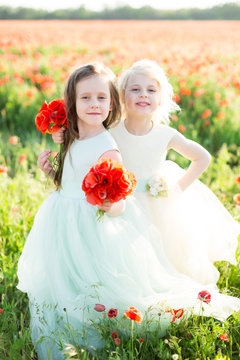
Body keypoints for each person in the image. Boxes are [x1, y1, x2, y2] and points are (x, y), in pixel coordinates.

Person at [32, 61, 240, 359]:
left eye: (101, 98)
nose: (94, 104)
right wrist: (56, 146)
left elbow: (117, 192)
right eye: (85, 98)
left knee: (157, 250)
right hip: (89, 210)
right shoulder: (96, 131)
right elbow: (74, 165)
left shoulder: (118, 142)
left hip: (129, 204)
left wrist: (173, 190)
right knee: (110, 260)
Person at [48, 59, 240, 287]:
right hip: (123, 200)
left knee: (160, 248)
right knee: (129, 254)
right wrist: (59, 134)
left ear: (161, 99)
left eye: (151, 90)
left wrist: (178, 188)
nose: (143, 95)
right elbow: (86, 140)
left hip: (154, 199)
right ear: (120, 97)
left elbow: (203, 158)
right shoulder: (111, 130)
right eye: (135, 90)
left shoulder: (165, 134)